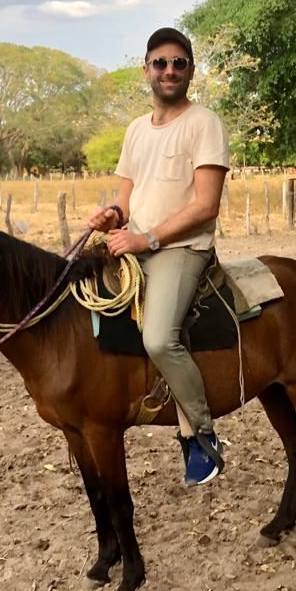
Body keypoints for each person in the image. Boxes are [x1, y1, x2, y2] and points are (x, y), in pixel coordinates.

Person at [87, 27, 230, 486]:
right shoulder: (135, 130)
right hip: (138, 242)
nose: (169, 71)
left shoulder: (203, 123)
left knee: (158, 340)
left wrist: (145, 239)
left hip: (182, 249)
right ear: (146, 70)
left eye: (179, 63)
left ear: (190, 71)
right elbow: (126, 200)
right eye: (161, 63)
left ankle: (202, 435)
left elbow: (205, 205)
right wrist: (112, 216)